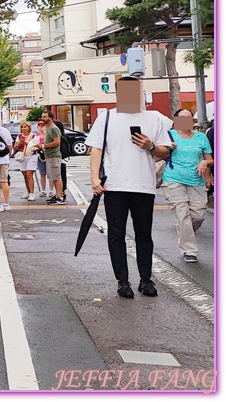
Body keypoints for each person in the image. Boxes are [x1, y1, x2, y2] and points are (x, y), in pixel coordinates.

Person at [87, 76, 171, 299]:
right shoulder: (106, 118)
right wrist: (94, 178)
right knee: (116, 233)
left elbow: (165, 151)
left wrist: (150, 146)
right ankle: (122, 281)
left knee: (144, 234)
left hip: (144, 185)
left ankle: (146, 279)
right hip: (115, 185)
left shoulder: (154, 119)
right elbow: (96, 150)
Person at [161, 108, 213, 263]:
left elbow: (211, 160)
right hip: (173, 180)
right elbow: (155, 155)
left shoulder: (201, 137)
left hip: (197, 180)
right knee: (182, 215)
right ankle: (189, 250)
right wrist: (166, 148)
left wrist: (206, 164)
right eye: (182, 118)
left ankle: (185, 233)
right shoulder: (168, 135)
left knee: (198, 216)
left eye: (189, 117)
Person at [41, 111, 65, 205]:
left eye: (45, 117)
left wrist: (43, 146)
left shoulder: (53, 129)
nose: (43, 118)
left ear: (51, 118)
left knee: (56, 177)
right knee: (53, 177)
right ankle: (57, 195)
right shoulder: (49, 128)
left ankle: (60, 197)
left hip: (54, 155)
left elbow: (57, 142)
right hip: (50, 156)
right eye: (42, 117)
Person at [14, 121, 40, 201]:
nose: (23, 128)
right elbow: (15, 147)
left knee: (29, 174)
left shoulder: (33, 136)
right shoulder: (19, 136)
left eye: (25, 127)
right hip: (23, 156)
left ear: (29, 128)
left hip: (31, 156)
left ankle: (32, 193)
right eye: (22, 127)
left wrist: (26, 143)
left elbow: (38, 146)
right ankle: (28, 191)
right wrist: (19, 144)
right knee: (25, 175)